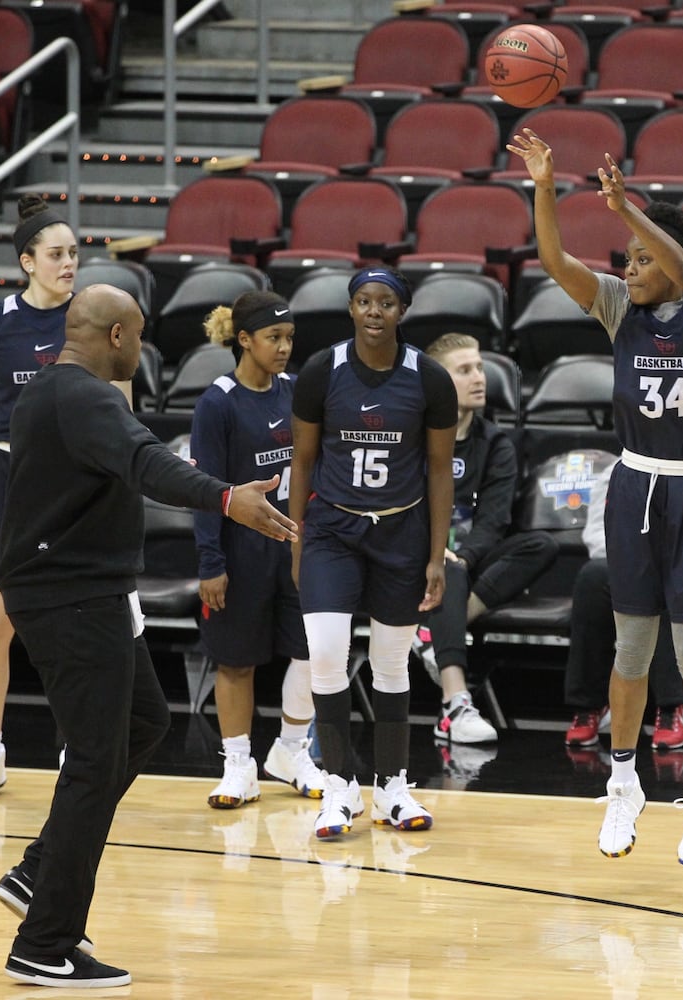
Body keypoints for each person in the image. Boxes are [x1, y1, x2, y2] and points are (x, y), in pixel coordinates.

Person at [0, 284, 296, 988]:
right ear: (120, 336)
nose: (145, 347)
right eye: (142, 334)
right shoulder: (90, 399)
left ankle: (41, 873)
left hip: (80, 590)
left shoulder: (45, 391)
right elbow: (150, 464)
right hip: (71, 599)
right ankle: (45, 941)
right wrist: (229, 498)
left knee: (143, 723)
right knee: (96, 759)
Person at [508, 128, 683, 866]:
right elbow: (553, 262)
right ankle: (622, 783)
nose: (630, 267)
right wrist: (545, 187)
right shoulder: (619, 309)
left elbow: (678, 263)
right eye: (628, 257)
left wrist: (629, 212)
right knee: (632, 646)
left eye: (643, 259)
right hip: (635, 483)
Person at [289, 265, 457, 840]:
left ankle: (392, 788)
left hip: (400, 532)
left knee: (390, 665)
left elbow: (439, 471)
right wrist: (296, 534)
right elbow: (302, 461)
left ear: (402, 311)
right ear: (352, 308)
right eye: (364, 301)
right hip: (333, 531)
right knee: (328, 655)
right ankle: (338, 788)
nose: (374, 312)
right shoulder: (321, 371)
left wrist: (437, 555)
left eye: (385, 302)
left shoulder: (430, 380)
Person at [0, 195, 95, 802]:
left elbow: (122, 410)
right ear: (27, 261)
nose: (69, 264)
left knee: (69, 629)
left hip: (75, 482)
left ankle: (75, 750)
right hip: (7, 480)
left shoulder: (92, 316)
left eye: (74, 254)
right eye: (56, 255)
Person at [192, 291, 326, 808]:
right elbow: (205, 490)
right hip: (239, 551)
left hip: (296, 547)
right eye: (274, 337)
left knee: (312, 649)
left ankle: (292, 749)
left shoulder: (297, 392)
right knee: (236, 662)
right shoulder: (217, 403)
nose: (285, 347)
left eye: (290, 337)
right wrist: (211, 562)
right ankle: (237, 765)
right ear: (244, 340)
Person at [416, 332, 559, 745]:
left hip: (467, 561)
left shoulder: (496, 443)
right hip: (415, 558)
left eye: (479, 367)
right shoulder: (413, 436)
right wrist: (435, 551)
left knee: (541, 545)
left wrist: (462, 557)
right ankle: (455, 704)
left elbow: (494, 521)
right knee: (446, 570)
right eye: (465, 370)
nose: (479, 377)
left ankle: (437, 632)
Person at [564, 456, 683, 754]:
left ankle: (671, 710)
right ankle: (588, 706)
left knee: (677, 583)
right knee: (593, 578)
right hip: (636, 569)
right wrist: (644, 555)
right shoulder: (624, 468)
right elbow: (598, 538)